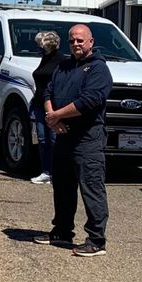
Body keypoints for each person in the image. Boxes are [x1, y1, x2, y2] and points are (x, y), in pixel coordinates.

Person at [34, 23, 112, 257]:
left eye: (80, 40)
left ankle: (96, 240)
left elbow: (89, 101)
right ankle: (62, 231)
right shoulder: (64, 66)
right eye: (72, 40)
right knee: (63, 187)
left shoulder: (98, 69)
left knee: (92, 189)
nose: (76, 44)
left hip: (87, 140)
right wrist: (52, 117)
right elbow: (47, 91)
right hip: (63, 137)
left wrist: (57, 115)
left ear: (91, 42)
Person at [29, 31, 62, 184]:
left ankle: (57, 173)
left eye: (40, 45)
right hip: (38, 104)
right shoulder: (44, 58)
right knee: (42, 140)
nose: (39, 47)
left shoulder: (62, 60)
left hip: (54, 106)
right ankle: (46, 172)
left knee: (54, 140)